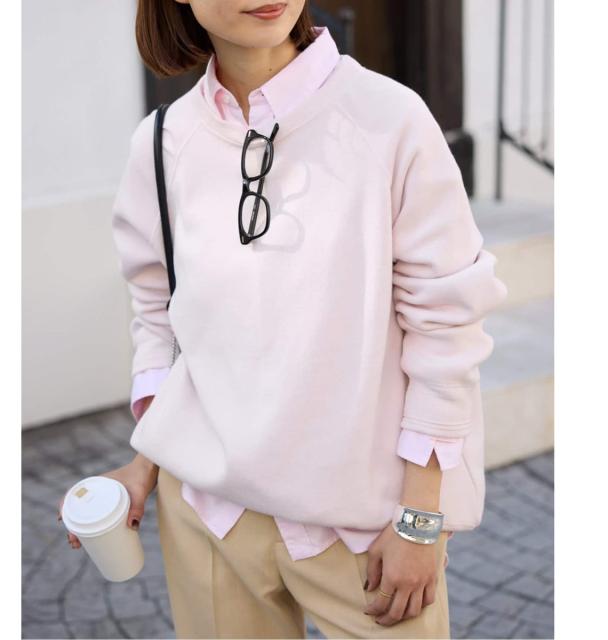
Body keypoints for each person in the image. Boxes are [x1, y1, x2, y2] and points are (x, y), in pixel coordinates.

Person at [59, 1, 508, 637]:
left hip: (364, 528)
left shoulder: (390, 120)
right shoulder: (163, 142)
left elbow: (446, 327)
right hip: (210, 518)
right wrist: (146, 462)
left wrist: (419, 520)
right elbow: (160, 314)